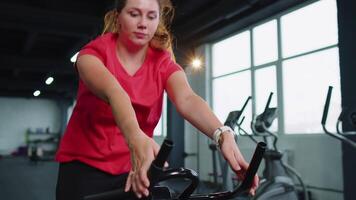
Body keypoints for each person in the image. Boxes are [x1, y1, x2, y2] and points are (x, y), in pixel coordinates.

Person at [55, 0, 259, 199]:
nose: (143, 23)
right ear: (118, 18)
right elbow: (116, 93)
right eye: (134, 14)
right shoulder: (92, 55)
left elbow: (187, 98)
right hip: (85, 167)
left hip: (137, 169)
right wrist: (136, 138)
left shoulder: (161, 61)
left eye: (151, 16)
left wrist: (222, 133)